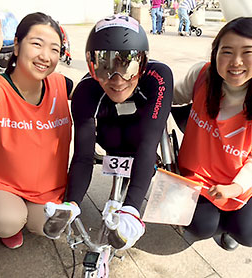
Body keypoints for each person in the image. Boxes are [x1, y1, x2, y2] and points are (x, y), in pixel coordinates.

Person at [43, 14, 173, 250]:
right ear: (92, 67)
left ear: (142, 66)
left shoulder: (158, 76)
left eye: (128, 68)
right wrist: (72, 203)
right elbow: (83, 155)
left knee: (146, 143)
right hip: (109, 138)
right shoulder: (85, 91)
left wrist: (132, 208)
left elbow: (149, 142)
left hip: (141, 137)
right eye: (104, 68)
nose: (117, 80)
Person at [0, 12, 72, 249]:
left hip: (46, 184)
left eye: (54, 49)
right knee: (8, 221)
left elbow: (98, 94)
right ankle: (6, 217)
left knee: (48, 227)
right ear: (18, 46)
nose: (45, 56)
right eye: (36, 44)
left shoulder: (61, 85)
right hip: (1, 180)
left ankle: (27, 211)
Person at [173, 17, 252, 250]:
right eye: (227, 52)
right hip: (199, 174)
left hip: (238, 177)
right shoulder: (202, 76)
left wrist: (235, 188)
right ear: (215, 53)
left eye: (247, 52)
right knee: (200, 226)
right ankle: (216, 224)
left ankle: (231, 226)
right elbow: (173, 96)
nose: (236, 62)